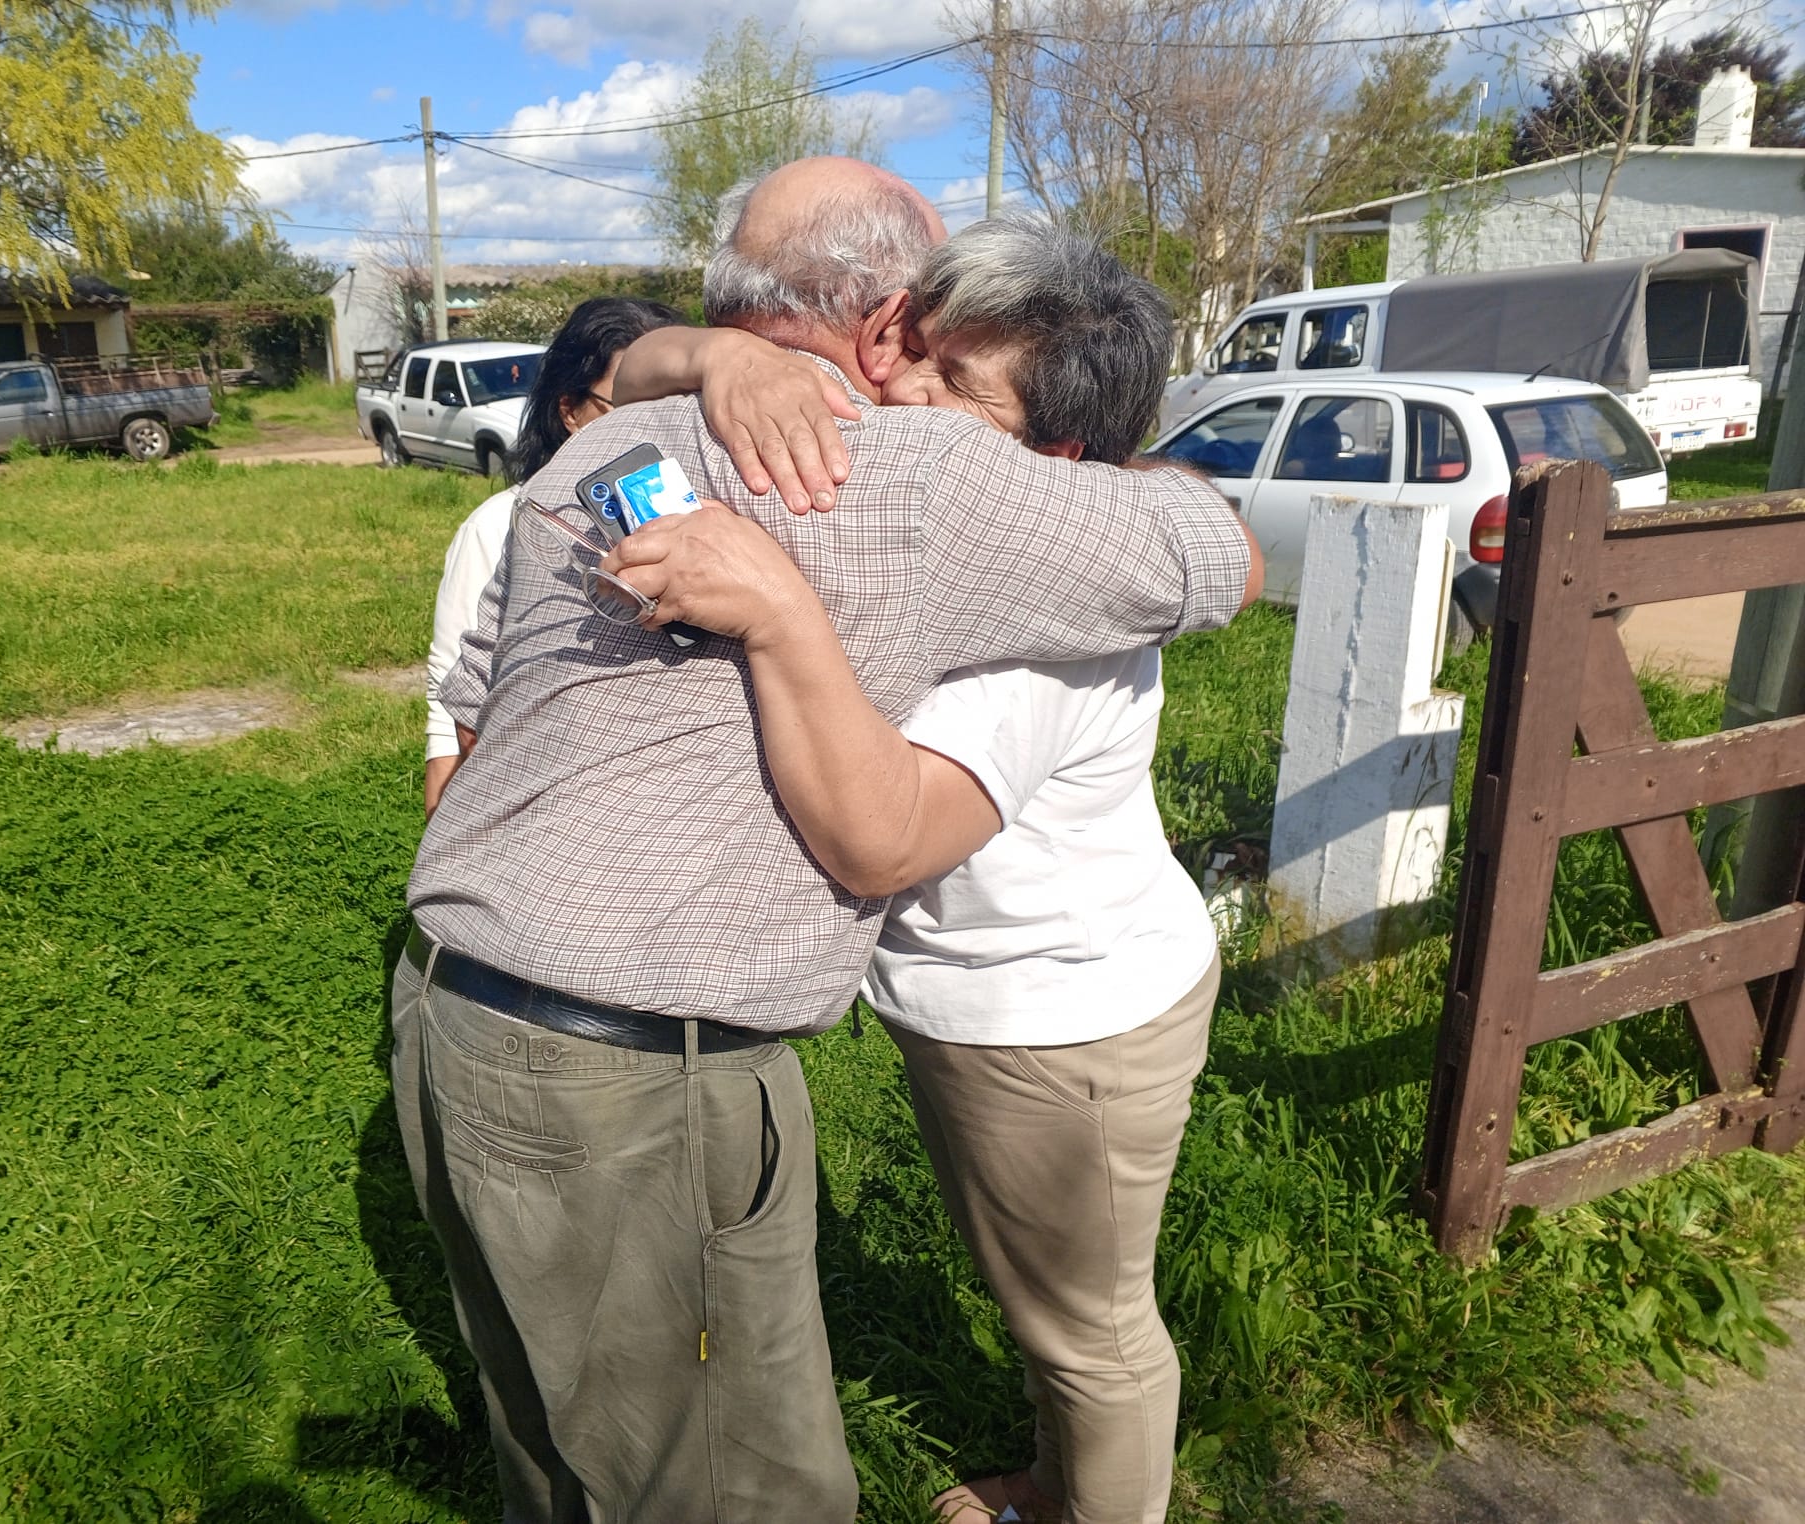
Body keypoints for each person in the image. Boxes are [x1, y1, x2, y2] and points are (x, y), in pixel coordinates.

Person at [394, 157, 1259, 1524]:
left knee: (563, 1447)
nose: (917, 387)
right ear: (878, 321)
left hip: (451, 1009)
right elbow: (1228, 550)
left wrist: (698, 370)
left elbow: (619, 386)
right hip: (630, 1074)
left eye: (953, 374)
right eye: (924, 343)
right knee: (737, 1491)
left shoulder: (616, 438)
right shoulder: (921, 483)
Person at [423, 296, 858, 816]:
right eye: (627, 405)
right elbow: (464, 718)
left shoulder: (717, 522)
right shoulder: (500, 524)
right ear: (571, 412)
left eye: (677, 403)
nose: (655, 425)